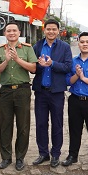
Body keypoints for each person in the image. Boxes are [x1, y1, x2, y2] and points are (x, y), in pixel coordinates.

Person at [0, 22, 37, 171]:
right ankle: (6, 157)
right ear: (5, 34)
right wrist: (6, 60)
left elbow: (33, 69)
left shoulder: (27, 48)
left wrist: (17, 59)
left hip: (22, 90)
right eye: (8, 31)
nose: (11, 33)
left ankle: (20, 158)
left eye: (14, 30)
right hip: (6, 91)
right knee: (5, 125)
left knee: (23, 125)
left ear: (19, 33)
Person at [31, 19, 73, 167]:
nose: (51, 32)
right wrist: (40, 66)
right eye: (48, 29)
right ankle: (43, 153)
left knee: (57, 123)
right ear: (44, 30)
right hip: (41, 92)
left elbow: (68, 67)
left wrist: (52, 64)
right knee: (41, 123)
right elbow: (32, 67)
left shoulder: (65, 47)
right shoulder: (37, 46)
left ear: (58, 31)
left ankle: (55, 154)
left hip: (57, 92)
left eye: (54, 29)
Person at [61, 32, 88, 171]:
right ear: (78, 43)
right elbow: (68, 81)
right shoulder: (72, 61)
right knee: (74, 129)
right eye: (82, 42)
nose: (85, 44)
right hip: (75, 100)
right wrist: (76, 75)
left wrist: (83, 77)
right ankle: (72, 155)